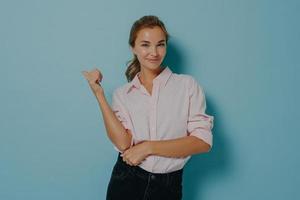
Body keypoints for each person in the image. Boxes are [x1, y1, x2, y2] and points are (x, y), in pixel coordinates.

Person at [82, 15, 214, 200]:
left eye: (160, 44)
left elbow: (202, 142)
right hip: (126, 180)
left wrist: (148, 147)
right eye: (145, 45)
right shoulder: (123, 94)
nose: (154, 52)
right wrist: (99, 94)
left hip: (168, 185)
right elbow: (123, 144)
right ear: (133, 47)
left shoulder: (187, 86)